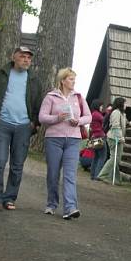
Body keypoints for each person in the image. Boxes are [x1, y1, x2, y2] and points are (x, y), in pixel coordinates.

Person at [0, 46, 44, 212]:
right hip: (2, 124)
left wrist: (34, 123)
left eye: (29, 58)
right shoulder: (0, 75)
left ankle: (9, 198)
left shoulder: (34, 80)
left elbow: (39, 103)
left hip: (24, 126)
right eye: (23, 56)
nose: (26, 60)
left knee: (17, 165)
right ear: (14, 57)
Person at [38, 68, 91, 219]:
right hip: (53, 139)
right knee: (53, 173)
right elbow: (42, 117)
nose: (73, 82)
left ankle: (70, 208)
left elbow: (88, 117)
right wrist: (57, 118)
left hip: (73, 140)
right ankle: (51, 204)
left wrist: (79, 121)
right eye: (71, 79)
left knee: (70, 175)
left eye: (74, 79)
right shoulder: (51, 97)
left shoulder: (79, 97)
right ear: (62, 81)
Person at [97, 97, 128, 184]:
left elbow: (123, 123)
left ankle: (117, 180)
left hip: (115, 138)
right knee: (115, 158)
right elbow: (115, 126)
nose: (126, 105)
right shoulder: (116, 112)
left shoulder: (121, 114)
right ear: (121, 104)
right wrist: (120, 137)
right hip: (114, 138)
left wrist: (129, 123)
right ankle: (102, 175)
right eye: (125, 103)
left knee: (116, 158)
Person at [88, 99, 107, 179]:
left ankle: (93, 175)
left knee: (96, 156)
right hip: (100, 136)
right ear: (97, 106)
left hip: (94, 136)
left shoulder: (92, 114)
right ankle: (97, 175)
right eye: (101, 106)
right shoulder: (97, 114)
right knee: (102, 156)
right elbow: (104, 121)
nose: (102, 107)